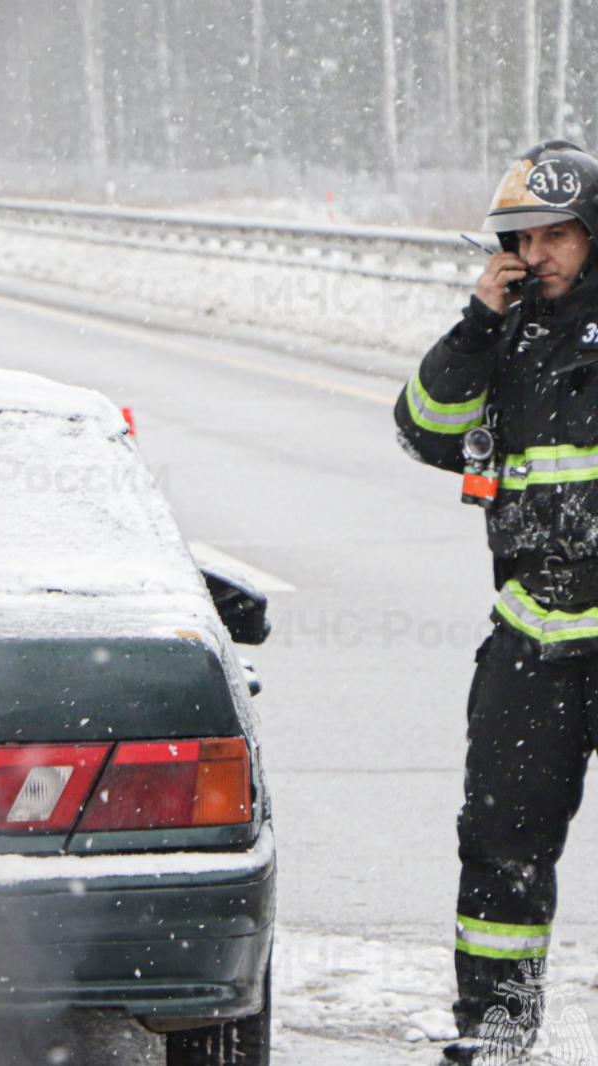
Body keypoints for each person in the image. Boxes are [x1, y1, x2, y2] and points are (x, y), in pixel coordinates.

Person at [396, 139, 598, 1064]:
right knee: (502, 843)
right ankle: (499, 1028)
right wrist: (478, 322)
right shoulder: (504, 335)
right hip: (531, 634)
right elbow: (424, 431)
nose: (541, 254)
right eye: (526, 237)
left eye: (560, 235)